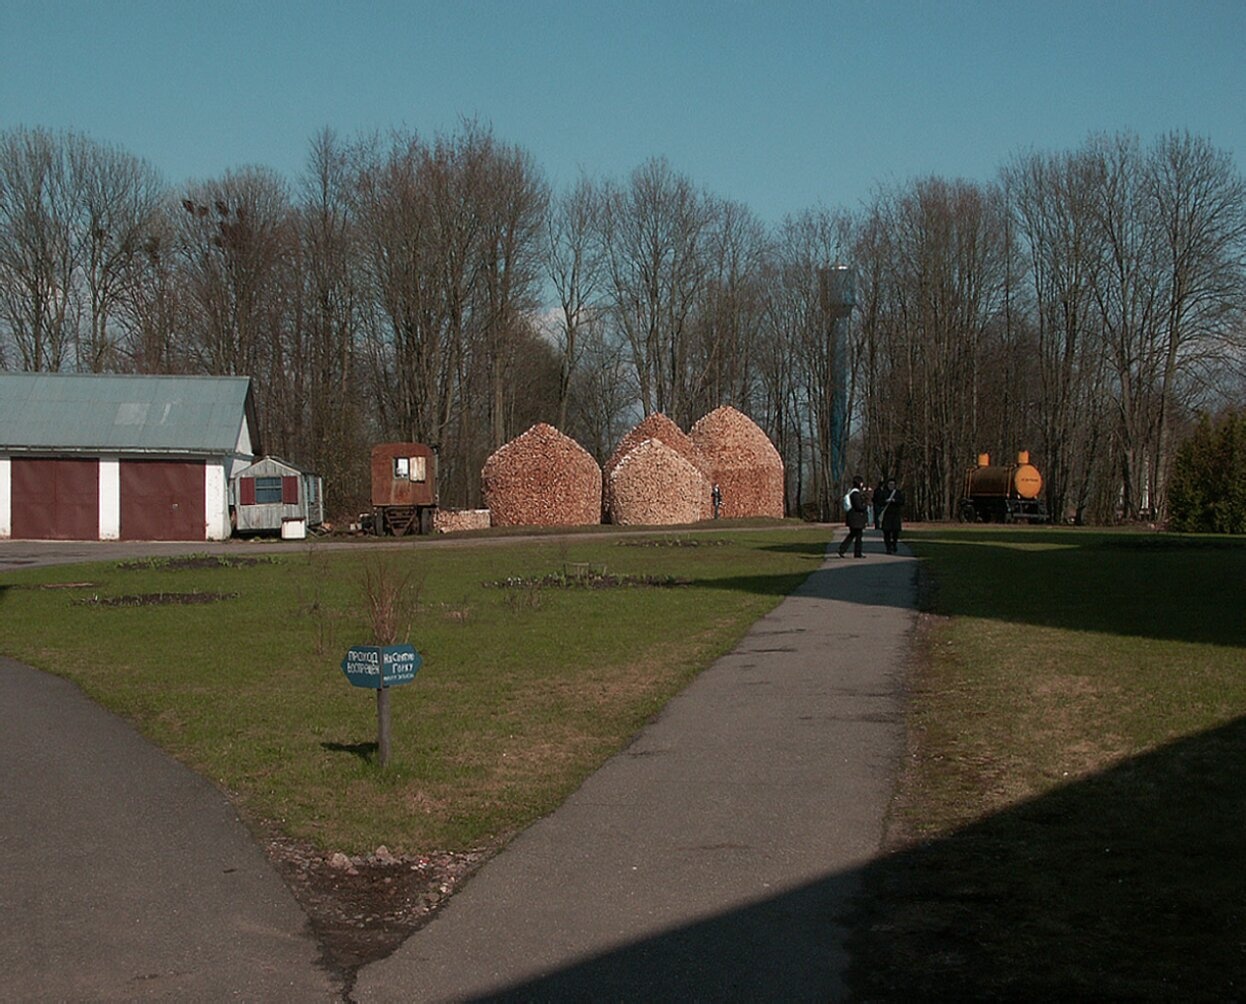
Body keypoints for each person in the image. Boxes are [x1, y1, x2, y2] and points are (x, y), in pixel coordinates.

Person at [837, 475, 869, 558]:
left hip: (853, 518)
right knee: (858, 536)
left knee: (853, 535)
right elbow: (858, 506)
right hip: (856, 518)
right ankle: (856, 552)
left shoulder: (851, 493)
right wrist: (865, 506)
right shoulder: (855, 494)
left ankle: (843, 549)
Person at [877, 477, 905, 554]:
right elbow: (879, 502)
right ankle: (888, 548)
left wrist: (895, 501)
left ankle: (894, 544)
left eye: (893, 484)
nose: (891, 486)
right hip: (887, 515)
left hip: (895, 514)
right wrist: (885, 501)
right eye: (890, 484)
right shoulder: (884, 493)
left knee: (895, 532)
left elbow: (902, 501)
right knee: (886, 532)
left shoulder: (898, 493)